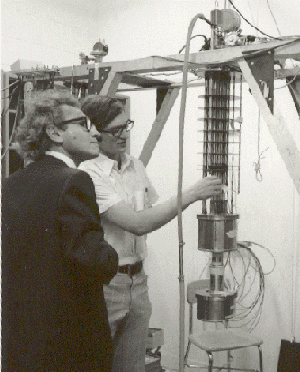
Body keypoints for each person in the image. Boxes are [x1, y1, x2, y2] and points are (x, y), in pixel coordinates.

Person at [79, 95, 223, 372]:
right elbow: (138, 223)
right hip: (106, 287)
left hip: (138, 284)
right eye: (115, 130)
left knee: (132, 367)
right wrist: (192, 194)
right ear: (95, 133)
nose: (123, 135)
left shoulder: (136, 167)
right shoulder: (89, 174)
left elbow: (150, 211)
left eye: (126, 126)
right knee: (95, 364)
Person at [2, 89, 119, 371]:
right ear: (54, 133)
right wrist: (112, 255)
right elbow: (93, 259)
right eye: (82, 123)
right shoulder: (74, 180)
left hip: (23, 340)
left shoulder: (11, 183)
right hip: (69, 340)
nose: (96, 134)